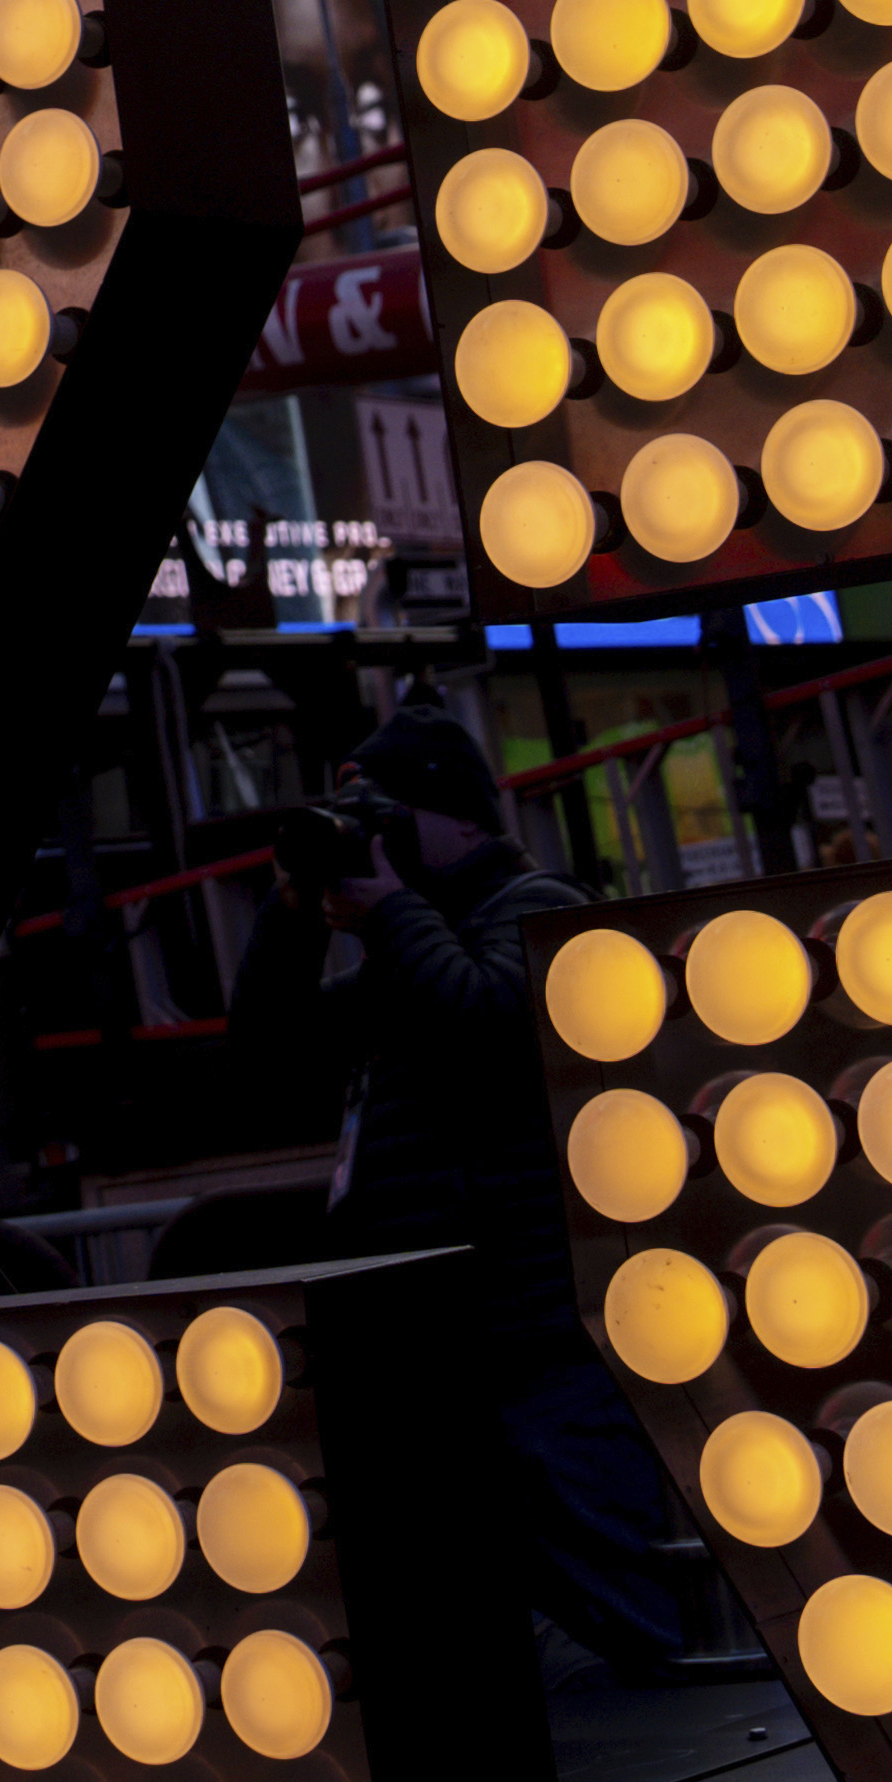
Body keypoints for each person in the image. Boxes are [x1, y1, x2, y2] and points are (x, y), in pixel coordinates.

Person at [226, 696, 691, 1680]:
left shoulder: (540, 909)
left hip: (542, 1326)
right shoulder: (409, 945)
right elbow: (266, 1052)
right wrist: (298, 905)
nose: (377, 839)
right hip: (443, 1325)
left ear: (466, 818)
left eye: (394, 817)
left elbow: (484, 1021)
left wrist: (391, 910)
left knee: (624, 1585)